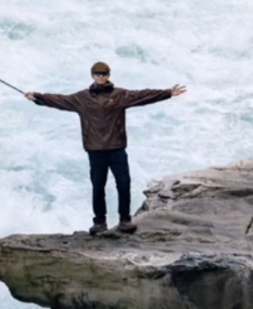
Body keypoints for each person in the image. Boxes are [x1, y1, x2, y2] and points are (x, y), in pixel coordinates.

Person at [26, 62, 186, 235]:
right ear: (92, 76)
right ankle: (99, 223)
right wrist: (37, 97)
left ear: (109, 75)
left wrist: (168, 93)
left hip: (117, 148)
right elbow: (59, 100)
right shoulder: (81, 98)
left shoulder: (120, 95)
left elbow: (143, 95)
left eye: (104, 74)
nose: (101, 76)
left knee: (123, 184)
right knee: (98, 186)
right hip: (95, 150)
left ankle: (125, 220)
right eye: (97, 74)